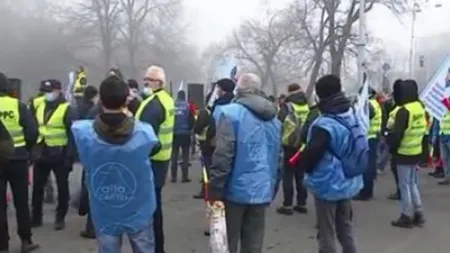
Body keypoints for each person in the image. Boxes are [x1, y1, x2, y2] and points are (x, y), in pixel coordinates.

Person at [72, 75, 159, 253]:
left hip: (104, 207)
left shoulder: (83, 132)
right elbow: (155, 148)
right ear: (126, 99)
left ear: (100, 99)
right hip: (139, 207)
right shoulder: (144, 132)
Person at [208, 73, 281, 253]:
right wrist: (273, 187)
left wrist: (215, 190)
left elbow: (223, 155)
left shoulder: (230, 113)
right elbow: (278, 157)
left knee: (227, 242)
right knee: (253, 244)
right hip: (262, 189)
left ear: (238, 89)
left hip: (234, 189)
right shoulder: (274, 120)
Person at [299, 75, 362, 253]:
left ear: (320, 95)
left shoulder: (324, 123)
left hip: (328, 181)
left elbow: (312, 154)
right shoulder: (352, 113)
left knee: (326, 230)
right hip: (348, 177)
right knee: (345, 227)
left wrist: (306, 169)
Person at [135, 65, 175, 253]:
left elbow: (144, 137)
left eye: (149, 79)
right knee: (154, 207)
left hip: (151, 161)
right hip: (161, 160)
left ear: (159, 82)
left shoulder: (154, 104)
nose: (145, 82)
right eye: (145, 79)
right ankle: (158, 247)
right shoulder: (165, 99)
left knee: (149, 210)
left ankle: (155, 248)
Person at [0, 72, 40, 253]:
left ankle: (2, 244)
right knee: (21, 201)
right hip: (18, 159)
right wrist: (26, 150)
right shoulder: (18, 106)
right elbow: (32, 132)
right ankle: (26, 240)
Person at [31, 79, 75, 230]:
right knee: (38, 186)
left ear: (58, 91)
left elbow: (71, 134)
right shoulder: (39, 104)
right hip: (41, 151)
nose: (47, 94)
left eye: (49, 92)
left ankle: (60, 218)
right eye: (45, 91)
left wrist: (70, 157)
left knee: (62, 187)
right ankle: (36, 217)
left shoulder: (66, 108)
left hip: (59, 153)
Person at [388, 79, 427, 228]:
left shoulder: (404, 111)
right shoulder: (419, 107)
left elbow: (397, 135)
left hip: (404, 152)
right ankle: (419, 212)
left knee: (404, 185)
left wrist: (392, 148)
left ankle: (406, 215)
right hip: (416, 150)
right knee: (412, 183)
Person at [276, 83, 309, 215]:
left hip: (289, 144)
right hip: (303, 144)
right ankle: (301, 203)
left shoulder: (287, 106)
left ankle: (287, 205)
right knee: (301, 174)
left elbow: (279, 122)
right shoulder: (307, 105)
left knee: (288, 175)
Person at [75, 85, 99, 239]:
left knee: (90, 188)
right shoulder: (123, 113)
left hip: (91, 154)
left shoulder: (90, 110)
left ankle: (90, 226)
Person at [354, 88, 382, 201]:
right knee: (370, 164)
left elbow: (363, 119)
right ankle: (367, 190)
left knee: (367, 166)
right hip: (372, 137)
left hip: (368, 138)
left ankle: (366, 191)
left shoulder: (369, 105)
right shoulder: (375, 103)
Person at [170, 90, 195, 183]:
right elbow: (192, 119)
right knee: (185, 155)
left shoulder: (172, 105)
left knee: (174, 155)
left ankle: (173, 177)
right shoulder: (188, 106)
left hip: (174, 133)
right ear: (185, 96)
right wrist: (191, 129)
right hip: (185, 133)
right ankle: (184, 177)